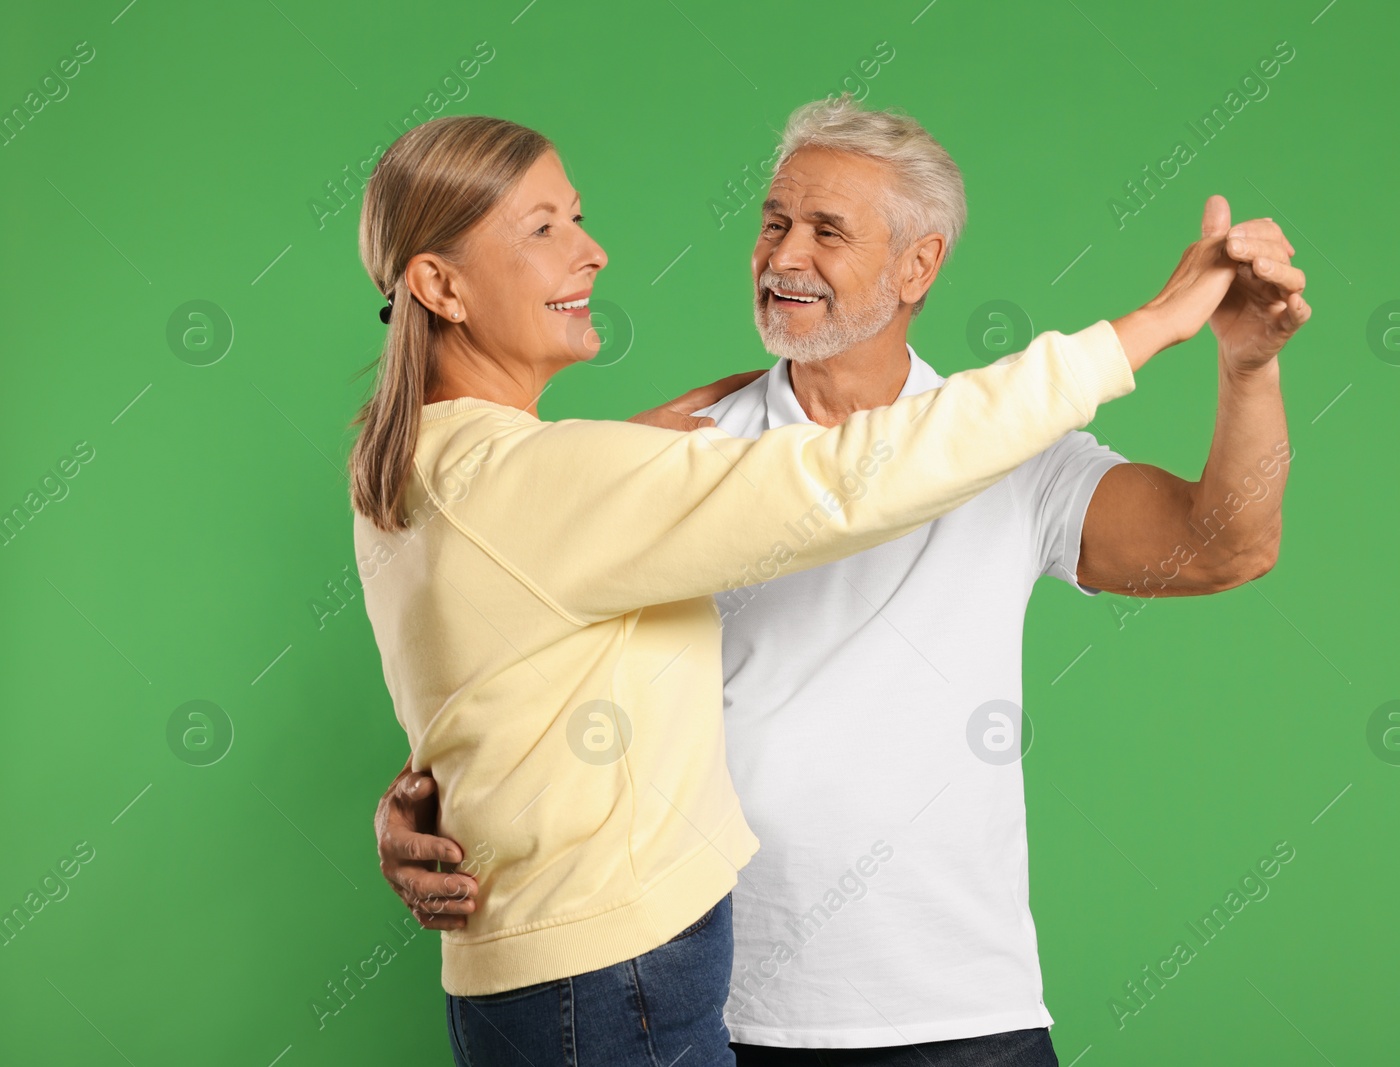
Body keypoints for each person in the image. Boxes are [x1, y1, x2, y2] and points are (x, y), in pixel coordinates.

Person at [355, 109, 1301, 1067]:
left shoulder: (1011, 447)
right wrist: (447, 795)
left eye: (827, 230)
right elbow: (527, 649)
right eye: (773, 222)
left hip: (952, 1015)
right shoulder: (678, 454)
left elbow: (1223, 545)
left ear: (917, 267)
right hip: (714, 1003)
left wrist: (1247, 367)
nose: (784, 254)